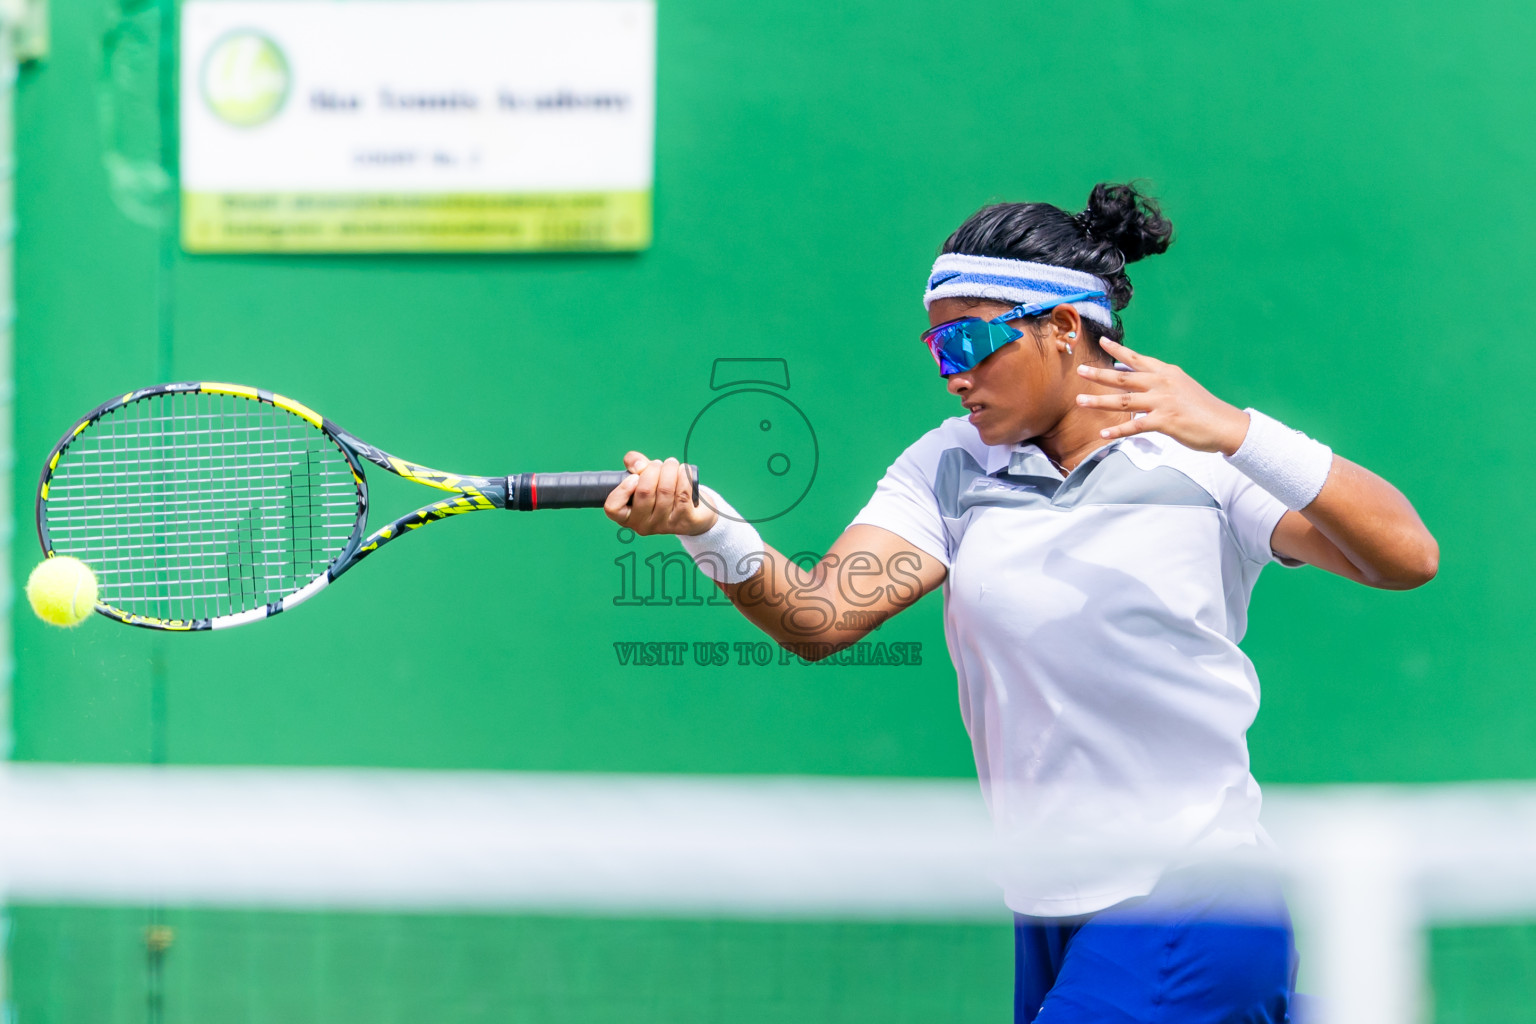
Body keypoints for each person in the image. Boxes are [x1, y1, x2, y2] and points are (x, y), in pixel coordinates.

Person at [604, 182, 1438, 1022]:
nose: (952, 373)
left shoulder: (1206, 462)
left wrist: (1237, 430)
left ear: (1065, 329)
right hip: (1044, 908)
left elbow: (1406, 556)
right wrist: (706, 525)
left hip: (1196, 893)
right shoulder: (948, 465)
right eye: (938, 348)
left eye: (969, 340)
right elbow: (819, 617)